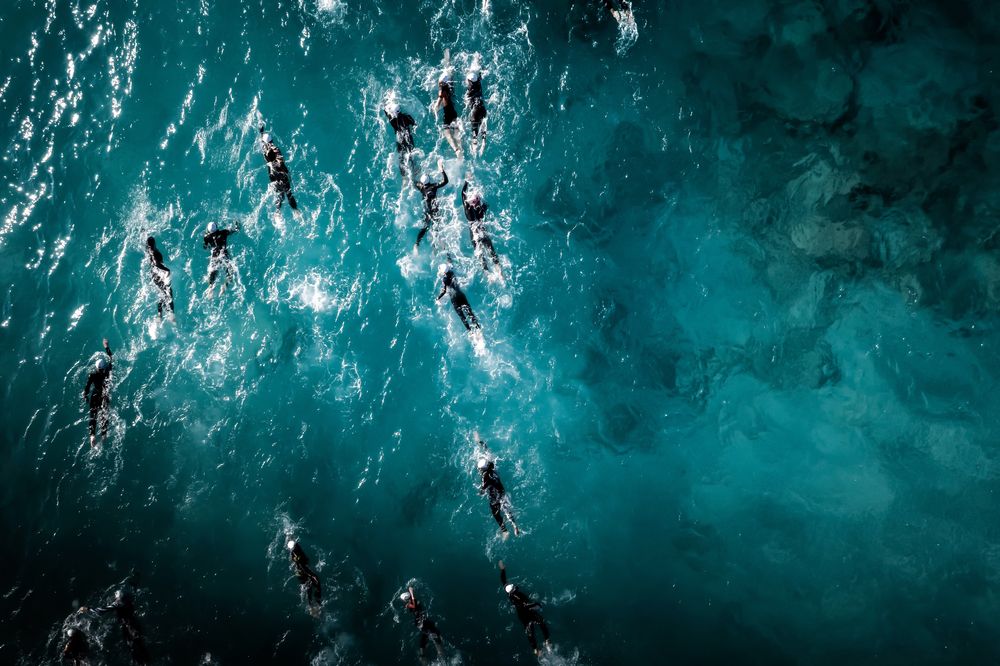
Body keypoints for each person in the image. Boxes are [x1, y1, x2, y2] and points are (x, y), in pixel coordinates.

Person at [80, 589, 149, 664]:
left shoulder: (117, 603)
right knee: (140, 644)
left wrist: (88, 609)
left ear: (118, 596)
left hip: (129, 627)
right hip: (135, 624)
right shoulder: (128, 601)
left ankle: (141, 662)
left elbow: (101, 610)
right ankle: (146, 661)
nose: (115, 597)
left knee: (133, 647)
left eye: (116, 596)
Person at [498, 561, 551, 657]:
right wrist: (537, 605)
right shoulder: (517, 596)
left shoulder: (510, 594)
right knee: (541, 622)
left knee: (530, 632)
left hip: (522, 615)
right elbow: (525, 605)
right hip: (528, 613)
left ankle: (535, 650)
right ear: (513, 590)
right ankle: (547, 640)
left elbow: (503, 581)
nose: (512, 585)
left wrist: (503, 569)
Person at [475, 433, 519, 538]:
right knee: (506, 509)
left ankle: (505, 531)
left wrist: (480, 492)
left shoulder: (485, 478)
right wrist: (479, 441)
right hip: (501, 490)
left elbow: (482, 491)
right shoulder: (491, 464)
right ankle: (515, 525)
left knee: (495, 512)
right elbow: (486, 448)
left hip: (494, 494)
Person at [461, 180, 502, 276]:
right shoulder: (480, 210)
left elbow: (463, 194)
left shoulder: (468, 209)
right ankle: (498, 270)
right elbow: (485, 206)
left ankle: (487, 273)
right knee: (491, 250)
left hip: (474, 234)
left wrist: (466, 182)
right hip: (481, 232)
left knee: (480, 254)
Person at [399, 586, 444, 662]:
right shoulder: (409, 605)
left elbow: (414, 603)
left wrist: (411, 593)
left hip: (421, 622)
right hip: (422, 621)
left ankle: (423, 655)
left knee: (426, 635)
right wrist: (412, 593)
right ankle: (438, 653)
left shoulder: (412, 602)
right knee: (433, 634)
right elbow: (413, 605)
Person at [259, 127, 298, 211]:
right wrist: (288, 175)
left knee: (280, 194)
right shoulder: (276, 153)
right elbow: (284, 168)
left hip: (272, 175)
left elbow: (262, 141)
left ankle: (277, 211)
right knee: (288, 193)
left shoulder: (265, 152)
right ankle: (295, 210)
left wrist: (261, 132)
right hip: (280, 175)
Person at [82, 339, 113, 448]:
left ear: (96, 368)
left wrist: (85, 395)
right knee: (104, 415)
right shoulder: (108, 371)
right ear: (104, 368)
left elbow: (86, 388)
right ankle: (104, 435)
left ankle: (92, 436)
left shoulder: (92, 375)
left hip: (95, 395)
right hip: (104, 394)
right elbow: (111, 358)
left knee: (93, 415)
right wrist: (106, 347)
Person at [412, 160, 448, 252]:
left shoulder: (421, 187)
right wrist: (441, 170)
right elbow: (445, 181)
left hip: (427, 211)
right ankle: (436, 249)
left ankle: (416, 244)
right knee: (436, 230)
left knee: (425, 227)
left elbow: (413, 181)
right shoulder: (434, 186)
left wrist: (415, 171)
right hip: (435, 211)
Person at [436, 264, 479, 331]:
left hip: (454, 298)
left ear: (444, 272)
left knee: (462, 316)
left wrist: (438, 298)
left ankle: (470, 330)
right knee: (469, 312)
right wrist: (448, 257)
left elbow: (444, 291)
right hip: (460, 295)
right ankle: (477, 327)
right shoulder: (452, 273)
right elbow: (450, 266)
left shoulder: (444, 279)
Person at [202, 221, 239, 296]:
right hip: (223, 254)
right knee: (230, 273)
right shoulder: (223, 232)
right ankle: (224, 286)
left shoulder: (207, 237)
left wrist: (208, 245)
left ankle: (210, 288)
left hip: (215, 256)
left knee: (213, 273)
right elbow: (234, 230)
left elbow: (205, 247)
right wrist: (237, 225)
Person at [433, 70, 462, 158]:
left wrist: (435, 111)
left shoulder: (442, 91)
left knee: (447, 133)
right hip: (453, 112)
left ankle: (456, 150)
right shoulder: (450, 87)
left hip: (448, 113)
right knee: (456, 130)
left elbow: (437, 106)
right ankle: (460, 149)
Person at [145, 237, 175, 320]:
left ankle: (160, 314)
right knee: (168, 293)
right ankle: (171, 315)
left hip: (154, 275)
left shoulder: (148, 249)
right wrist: (167, 270)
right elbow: (156, 264)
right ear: (154, 243)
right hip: (158, 275)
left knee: (163, 294)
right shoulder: (154, 252)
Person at [384, 101, 417, 178]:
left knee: (402, 157)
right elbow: (414, 124)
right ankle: (414, 170)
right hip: (408, 137)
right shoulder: (407, 116)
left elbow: (386, 113)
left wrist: (386, 104)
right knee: (410, 154)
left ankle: (404, 175)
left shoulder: (392, 120)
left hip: (399, 138)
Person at [286, 539, 323, 607]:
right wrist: (311, 576)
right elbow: (301, 567)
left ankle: (314, 602)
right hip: (302, 572)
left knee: (310, 585)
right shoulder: (295, 554)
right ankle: (312, 604)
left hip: (302, 569)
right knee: (311, 584)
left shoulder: (295, 547)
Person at [465, 63, 487, 157]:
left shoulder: (469, 91)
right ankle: (483, 143)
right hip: (482, 108)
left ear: (470, 82)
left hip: (474, 111)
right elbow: (480, 76)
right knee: (483, 128)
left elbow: (467, 101)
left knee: (474, 133)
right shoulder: (478, 83)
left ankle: (475, 148)